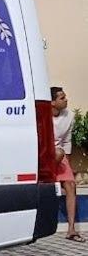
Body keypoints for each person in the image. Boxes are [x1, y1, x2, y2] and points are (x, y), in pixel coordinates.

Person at [52, 86, 83, 241]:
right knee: (58, 152)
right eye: (62, 98)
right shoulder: (42, 115)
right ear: (52, 102)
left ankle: (71, 229)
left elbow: (67, 141)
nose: (66, 100)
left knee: (71, 184)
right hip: (44, 154)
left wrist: (68, 167)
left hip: (60, 154)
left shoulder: (69, 115)